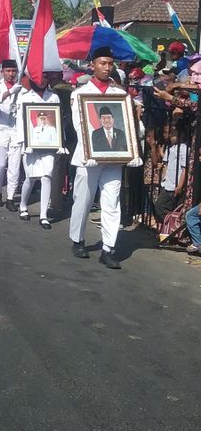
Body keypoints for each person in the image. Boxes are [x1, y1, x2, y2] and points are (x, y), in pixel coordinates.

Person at [69, 46, 143, 269]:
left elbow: (129, 125)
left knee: (112, 203)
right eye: (102, 63)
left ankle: (108, 248)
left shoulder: (119, 95)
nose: (107, 67)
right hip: (88, 157)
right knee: (83, 200)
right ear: (92, 65)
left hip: (113, 158)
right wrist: (88, 151)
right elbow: (79, 126)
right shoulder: (80, 94)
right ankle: (78, 239)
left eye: (110, 63)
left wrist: (133, 151)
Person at [18, 72, 68, 229]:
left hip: (49, 144)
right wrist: (24, 142)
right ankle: (23, 205)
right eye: (39, 78)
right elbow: (20, 121)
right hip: (31, 143)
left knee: (47, 176)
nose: (42, 81)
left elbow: (58, 119)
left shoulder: (53, 97)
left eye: (45, 78)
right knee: (31, 178)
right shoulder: (25, 97)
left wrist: (61, 142)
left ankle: (43, 215)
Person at [0, 59, 23, 210]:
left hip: (16, 131)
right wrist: (8, 93)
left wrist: (17, 91)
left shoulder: (21, 88)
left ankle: (10, 197)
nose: (11, 74)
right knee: (0, 165)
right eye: (8, 71)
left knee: (14, 167)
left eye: (13, 71)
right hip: (1, 130)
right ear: (2, 72)